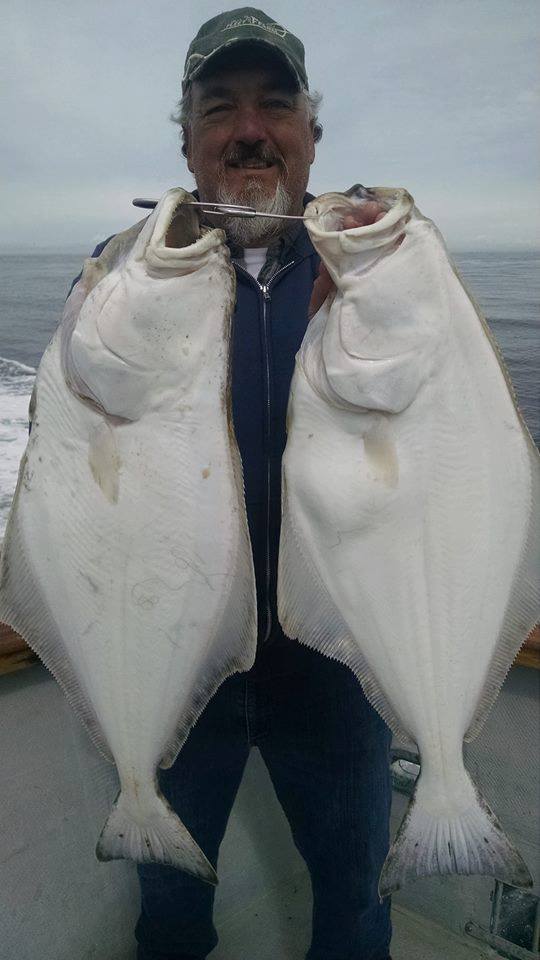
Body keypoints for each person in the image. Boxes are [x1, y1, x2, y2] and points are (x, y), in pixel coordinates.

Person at [86, 9, 393, 960]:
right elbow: (86, 456)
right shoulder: (126, 278)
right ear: (185, 140)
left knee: (355, 904)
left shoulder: (372, 268)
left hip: (336, 671)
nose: (249, 129)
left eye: (276, 104)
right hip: (173, 667)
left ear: (312, 135)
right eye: (220, 107)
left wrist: (386, 292)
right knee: (171, 917)